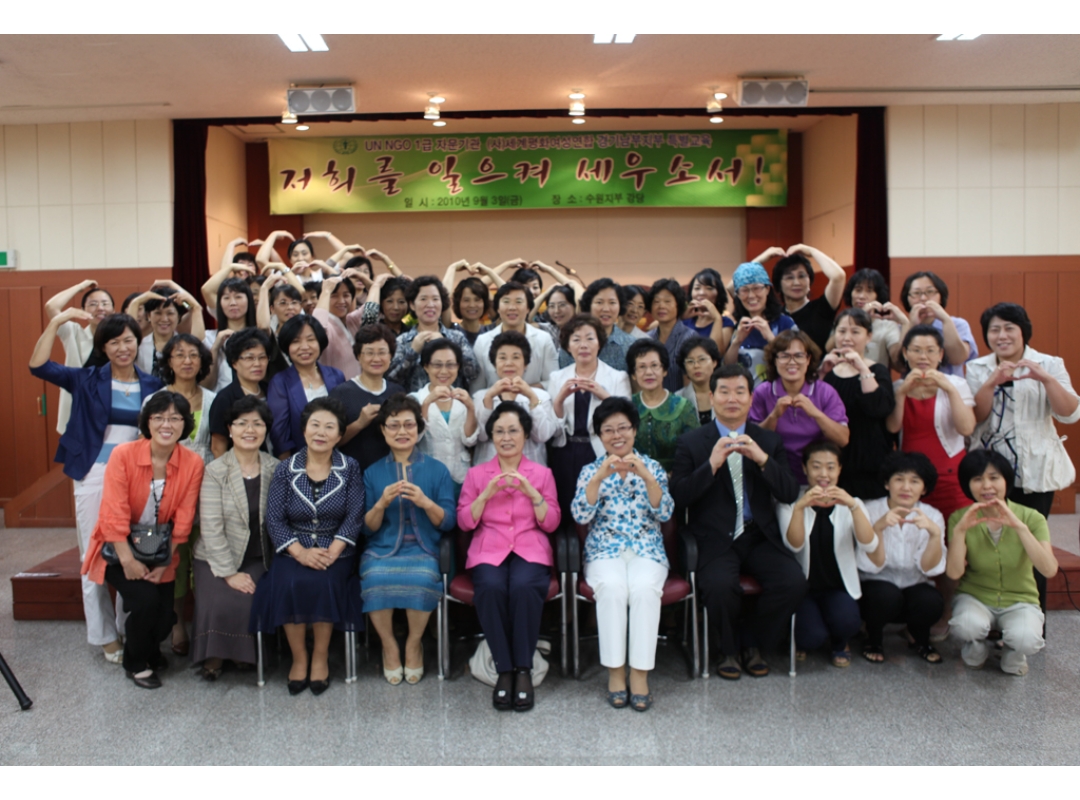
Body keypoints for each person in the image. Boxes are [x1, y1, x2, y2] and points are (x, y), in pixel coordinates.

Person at [30, 311, 164, 664]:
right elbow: (38, 366)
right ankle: (104, 635)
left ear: (138, 342)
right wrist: (55, 323)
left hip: (136, 474)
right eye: (114, 342)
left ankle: (126, 625)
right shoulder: (86, 378)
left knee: (134, 550)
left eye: (129, 340)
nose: (123, 348)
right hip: (94, 472)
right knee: (93, 553)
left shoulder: (152, 385)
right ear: (103, 347)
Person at [670, 363, 803, 680]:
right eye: (725, 392)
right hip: (715, 538)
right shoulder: (692, 442)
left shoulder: (767, 441)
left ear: (751, 398)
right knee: (718, 586)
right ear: (711, 396)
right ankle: (727, 649)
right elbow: (679, 497)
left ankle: (753, 643)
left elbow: (788, 492)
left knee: (792, 583)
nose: (732, 399)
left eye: (740, 392)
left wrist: (762, 460)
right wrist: (711, 465)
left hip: (759, 536)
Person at [79, 392, 204, 689]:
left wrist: (163, 564)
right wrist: (128, 561)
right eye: (159, 417)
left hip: (160, 549)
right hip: (118, 548)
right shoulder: (123, 455)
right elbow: (113, 514)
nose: (166, 424)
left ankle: (149, 651)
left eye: (174, 418)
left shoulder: (193, 463)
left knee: (165, 618)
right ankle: (136, 663)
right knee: (146, 601)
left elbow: (184, 520)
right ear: (147, 422)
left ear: (185, 424)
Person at [250, 397, 365, 695]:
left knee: (324, 583)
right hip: (294, 547)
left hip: (335, 550)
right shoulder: (286, 469)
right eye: (315, 425)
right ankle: (299, 657)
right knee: (289, 583)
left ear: (339, 435)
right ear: (304, 430)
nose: (321, 432)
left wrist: (333, 551)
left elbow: (354, 516)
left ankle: (320, 656)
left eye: (329, 427)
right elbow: (274, 518)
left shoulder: (350, 468)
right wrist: (299, 552)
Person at [457, 403, 561, 711]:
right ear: (491, 437)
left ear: (525, 435)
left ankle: (523, 669)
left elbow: (551, 523)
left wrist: (532, 493)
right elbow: (464, 522)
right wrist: (485, 494)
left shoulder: (542, 474)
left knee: (524, 587)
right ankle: (504, 669)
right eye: (499, 431)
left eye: (513, 430)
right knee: (490, 587)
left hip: (529, 547)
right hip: (490, 548)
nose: (506, 437)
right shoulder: (477, 475)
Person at [572, 397, 674, 711]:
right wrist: (598, 478)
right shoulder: (590, 470)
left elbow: (665, 512)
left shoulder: (651, 466)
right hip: (604, 550)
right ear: (599, 435)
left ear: (634, 430)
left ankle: (640, 675)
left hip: (647, 548)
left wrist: (647, 476)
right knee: (613, 589)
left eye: (623, 428)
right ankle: (616, 673)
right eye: (608, 430)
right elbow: (580, 515)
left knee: (643, 590)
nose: (617, 436)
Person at [362, 394, 457, 685]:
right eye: (394, 425)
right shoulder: (372, 472)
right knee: (374, 577)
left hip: (425, 549)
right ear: (383, 430)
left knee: (423, 576)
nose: (402, 431)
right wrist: (381, 504)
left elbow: (449, 521)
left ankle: (414, 643)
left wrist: (426, 502)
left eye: (409, 425)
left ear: (419, 429)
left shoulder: (437, 470)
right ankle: (389, 645)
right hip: (382, 550)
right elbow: (367, 529)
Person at [947, 450, 1058, 676]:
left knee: (1027, 639)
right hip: (976, 596)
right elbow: (954, 573)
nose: (987, 486)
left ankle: (1013, 652)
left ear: (1006, 481)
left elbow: (1048, 569)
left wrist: (1020, 527)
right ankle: (975, 648)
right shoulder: (960, 518)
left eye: (994, 477)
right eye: (978, 479)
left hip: (1020, 599)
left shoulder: (1031, 517)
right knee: (965, 626)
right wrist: (959, 532)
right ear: (968, 485)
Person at [967, 302, 1080, 519]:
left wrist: (1046, 379)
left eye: (1009, 328)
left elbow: (1070, 415)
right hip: (990, 466)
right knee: (992, 527)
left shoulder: (1049, 364)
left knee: (1031, 529)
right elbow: (976, 419)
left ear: (1023, 332)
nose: (1002, 336)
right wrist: (991, 383)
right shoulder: (976, 367)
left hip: (1036, 465)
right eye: (994, 330)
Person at [192, 396, 278, 680]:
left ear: (265, 429)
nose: (249, 430)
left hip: (258, 556)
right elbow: (211, 527)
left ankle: (242, 655)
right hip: (215, 557)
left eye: (257, 424)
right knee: (222, 601)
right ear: (230, 429)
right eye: (242, 423)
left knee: (246, 600)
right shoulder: (216, 470)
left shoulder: (275, 469)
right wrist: (229, 573)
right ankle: (215, 656)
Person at [777, 442, 881, 667]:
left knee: (848, 623)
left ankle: (839, 641)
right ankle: (804, 637)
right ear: (804, 468)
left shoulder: (852, 503)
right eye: (816, 466)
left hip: (837, 587)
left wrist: (853, 506)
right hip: (803, 589)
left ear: (840, 469)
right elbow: (794, 545)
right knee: (811, 637)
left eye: (831, 467)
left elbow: (870, 544)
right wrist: (800, 507)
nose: (824, 474)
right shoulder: (791, 503)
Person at [145, 333, 216, 656]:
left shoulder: (214, 399)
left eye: (193, 355)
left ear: (203, 362)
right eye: (179, 355)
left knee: (204, 556)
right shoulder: (155, 400)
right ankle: (177, 625)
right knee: (174, 556)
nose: (187, 361)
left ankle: (205, 624)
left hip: (207, 486)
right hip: (169, 487)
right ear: (168, 362)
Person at [856, 452, 947, 664]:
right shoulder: (869, 510)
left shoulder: (933, 515)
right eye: (899, 479)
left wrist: (934, 535)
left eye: (914, 481)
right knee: (884, 596)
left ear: (924, 488)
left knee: (931, 601)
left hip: (914, 584)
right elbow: (870, 565)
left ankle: (920, 639)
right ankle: (873, 638)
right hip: (877, 584)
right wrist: (878, 528)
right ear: (887, 483)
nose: (906, 487)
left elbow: (930, 569)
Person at [548, 314, 632, 523]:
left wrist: (604, 396)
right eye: (576, 339)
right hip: (565, 451)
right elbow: (551, 424)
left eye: (590, 338)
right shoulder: (557, 378)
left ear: (599, 343)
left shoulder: (617, 377)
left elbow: (626, 419)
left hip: (599, 450)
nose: (583, 345)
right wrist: (559, 399)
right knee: (566, 505)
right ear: (568, 346)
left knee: (598, 505)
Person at [887, 324, 976, 523]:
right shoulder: (897, 387)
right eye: (916, 350)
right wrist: (902, 393)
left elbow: (966, 428)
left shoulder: (957, 384)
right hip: (911, 479)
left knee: (956, 530)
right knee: (914, 530)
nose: (923, 357)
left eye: (930, 351)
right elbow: (892, 427)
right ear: (905, 353)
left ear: (940, 354)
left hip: (951, 476)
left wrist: (949, 389)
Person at [749, 330, 850, 484]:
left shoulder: (826, 392)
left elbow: (843, 439)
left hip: (817, 480)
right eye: (784, 356)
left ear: (808, 359)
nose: (792, 362)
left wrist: (816, 413)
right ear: (774, 360)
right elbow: (753, 441)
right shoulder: (762, 392)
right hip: (775, 478)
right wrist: (774, 416)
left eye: (799, 356)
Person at [819, 308, 896, 499]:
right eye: (842, 331)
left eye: (855, 332)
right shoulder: (827, 370)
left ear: (869, 336)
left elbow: (879, 408)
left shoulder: (877, 370)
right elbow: (813, 409)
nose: (847, 338)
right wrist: (821, 373)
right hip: (833, 463)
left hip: (870, 463)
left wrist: (861, 367)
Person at [473, 330, 558, 465]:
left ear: (526, 364)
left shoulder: (542, 396)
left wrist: (532, 397)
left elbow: (542, 436)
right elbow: (481, 436)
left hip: (531, 470)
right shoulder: (480, 397)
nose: (509, 363)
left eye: (516, 357)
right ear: (494, 364)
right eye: (502, 358)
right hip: (489, 469)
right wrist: (488, 398)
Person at [267, 315, 346, 459]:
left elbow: (342, 422)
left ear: (320, 342)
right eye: (296, 341)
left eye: (310, 340)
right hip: (298, 461)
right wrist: (288, 467)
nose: (304, 347)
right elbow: (280, 435)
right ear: (287, 346)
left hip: (336, 458)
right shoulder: (280, 382)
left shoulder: (336, 376)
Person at [329, 324, 405, 471]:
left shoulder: (398, 392)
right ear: (358, 356)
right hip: (352, 473)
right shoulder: (340, 393)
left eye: (382, 352)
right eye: (369, 353)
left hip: (392, 472)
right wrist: (359, 423)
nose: (376, 359)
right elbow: (330, 440)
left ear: (390, 356)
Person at [43, 279, 115, 433]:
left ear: (114, 310)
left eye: (105, 303)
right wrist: (81, 286)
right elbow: (51, 306)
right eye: (93, 304)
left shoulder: (123, 338)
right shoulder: (74, 333)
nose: (100, 308)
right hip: (80, 414)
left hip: (113, 411)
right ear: (83, 310)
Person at [387, 275, 479, 392]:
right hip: (415, 403)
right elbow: (391, 380)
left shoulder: (457, 338)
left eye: (435, 299)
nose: (430, 304)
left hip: (452, 401)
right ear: (412, 305)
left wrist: (448, 345)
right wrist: (412, 352)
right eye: (423, 299)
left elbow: (473, 373)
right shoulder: (402, 341)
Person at [409, 339, 479, 491]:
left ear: (458, 366)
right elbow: (413, 438)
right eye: (437, 365)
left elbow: (470, 441)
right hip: (427, 477)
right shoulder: (414, 399)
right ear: (426, 366)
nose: (444, 371)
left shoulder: (463, 398)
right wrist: (426, 404)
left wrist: (471, 408)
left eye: (450, 365)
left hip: (461, 477)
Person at [757, 243, 846, 353]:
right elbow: (738, 288)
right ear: (779, 284)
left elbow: (838, 276)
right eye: (789, 277)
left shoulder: (822, 308)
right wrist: (762, 258)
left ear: (810, 280)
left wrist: (811, 251)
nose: (796, 282)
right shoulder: (775, 315)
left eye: (802, 276)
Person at [627, 339, 699, 473]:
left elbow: (694, 449)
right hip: (633, 478)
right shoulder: (627, 406)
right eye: (642, 367)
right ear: (633, 374)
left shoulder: (683, 407)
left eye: (654, 365)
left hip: (675, 479)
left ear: (665, 370)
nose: (649, 372)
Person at [472, 281, 559, 391]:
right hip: (494, 401)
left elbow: (553, 382)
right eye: (506, 301)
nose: (512, 307)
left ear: (528, 308)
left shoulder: (544, 339)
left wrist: (524, 392)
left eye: (518, 302)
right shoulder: (482, 342)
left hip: (535, 400)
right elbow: (477, 389)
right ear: (498, 308)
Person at [722, 262, 797, 385]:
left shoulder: (785, 323)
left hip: (778, 390)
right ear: (738, 295)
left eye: (756, 288)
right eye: (744, 290)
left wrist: (770, 337)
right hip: (744, 392)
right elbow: (728, 367)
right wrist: (737, 341)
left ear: (767, 289)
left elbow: (798, 359)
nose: (751, 295)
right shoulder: (739, 325)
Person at [207, 328, 272, 459]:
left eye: (262, 357)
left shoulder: (272, 390)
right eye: (249, 358)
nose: (257, 364)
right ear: (234, 363)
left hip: (274, 463)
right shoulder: (225, 398)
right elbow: (218, 446)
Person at [898, 271, 978, 377]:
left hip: (951, 386)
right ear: (907, 299)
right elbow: (900, 365)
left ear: (940, 297)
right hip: (914, 385)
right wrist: (911, 326)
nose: (923, 298)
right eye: (916, 293)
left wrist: (946, 320)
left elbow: (957, 359)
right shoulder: (901, 327)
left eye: (930, 292)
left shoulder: (958, 324)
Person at [132, 282, 206, 378]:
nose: (164, 319)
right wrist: (136, 302)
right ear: (149, 315)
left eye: (170, 313)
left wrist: (196, 307)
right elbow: (128, 331)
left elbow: (199, 343)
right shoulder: (139, 346)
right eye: (158, 313)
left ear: (179, 317)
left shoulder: (186, 344)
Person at [836, 268, 905, 368]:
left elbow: (898, 364)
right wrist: (860, 316)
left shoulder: (887, 325)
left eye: (869, 291)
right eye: (858, 290)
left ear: (878, 296)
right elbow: (828, 348)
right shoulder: (843, 319)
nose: (861, 296)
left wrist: (906, 323)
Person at [201, 277, 257, 392]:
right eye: (226, 298)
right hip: (219, 398)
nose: (233, 303)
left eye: (238, 297)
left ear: (249, 300)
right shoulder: (210, 338)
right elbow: (206, 386)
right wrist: (215, 348)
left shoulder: (259, 335)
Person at [312, 272, 367, 379]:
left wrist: (364, 278)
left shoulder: (352, 320)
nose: (341, 301)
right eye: (334, 296)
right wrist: (326, 291)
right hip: (335, 387)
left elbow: (375, 305)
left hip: (359, 385)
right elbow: (318, 329)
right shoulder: (326, 324)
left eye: (346, 295)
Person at [646, 278, 696, 393]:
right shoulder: (646, 338)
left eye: (667, 301)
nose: (661, 306)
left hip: (681, 401)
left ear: (678, 305)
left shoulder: (690, 337)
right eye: (656, 302)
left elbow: (691, 382)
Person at [577, 278, 636, 373]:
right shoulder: (574, 343)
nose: (606, 309)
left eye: (612, 303)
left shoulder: (630, 345)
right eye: (599, 302)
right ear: (589, 305)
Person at [676, 336, 721, 425]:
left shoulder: (726, 395)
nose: (696, 366)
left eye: (702, 359)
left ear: (714, 362)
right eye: (690, 361)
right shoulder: (677, 399)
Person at [682, 268, 729, 342]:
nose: (702, 293)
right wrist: (681, 318)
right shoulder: (684, 322)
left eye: (709, 288)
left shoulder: (726, 323)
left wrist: (717, 319)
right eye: (697, 288)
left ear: (719, 294)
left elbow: (716, 349)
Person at [532, 283, 577, 353]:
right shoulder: (549, 330)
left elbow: (580, 299)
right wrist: (545, 294)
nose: (556, 311)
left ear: (574, 305)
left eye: (562, 305)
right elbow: (524, 319)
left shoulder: (583, 329)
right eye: (552, 306)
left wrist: (573, 283)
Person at [451, 276, 493, 346]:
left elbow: (508, 302)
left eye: (477, 300)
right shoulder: (451, 331)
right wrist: (452, 269)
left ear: (484, 303)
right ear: (458, 303)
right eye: (466, 300)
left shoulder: (490, 332)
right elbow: (443, 297)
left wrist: (490, 272)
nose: (472, 305)